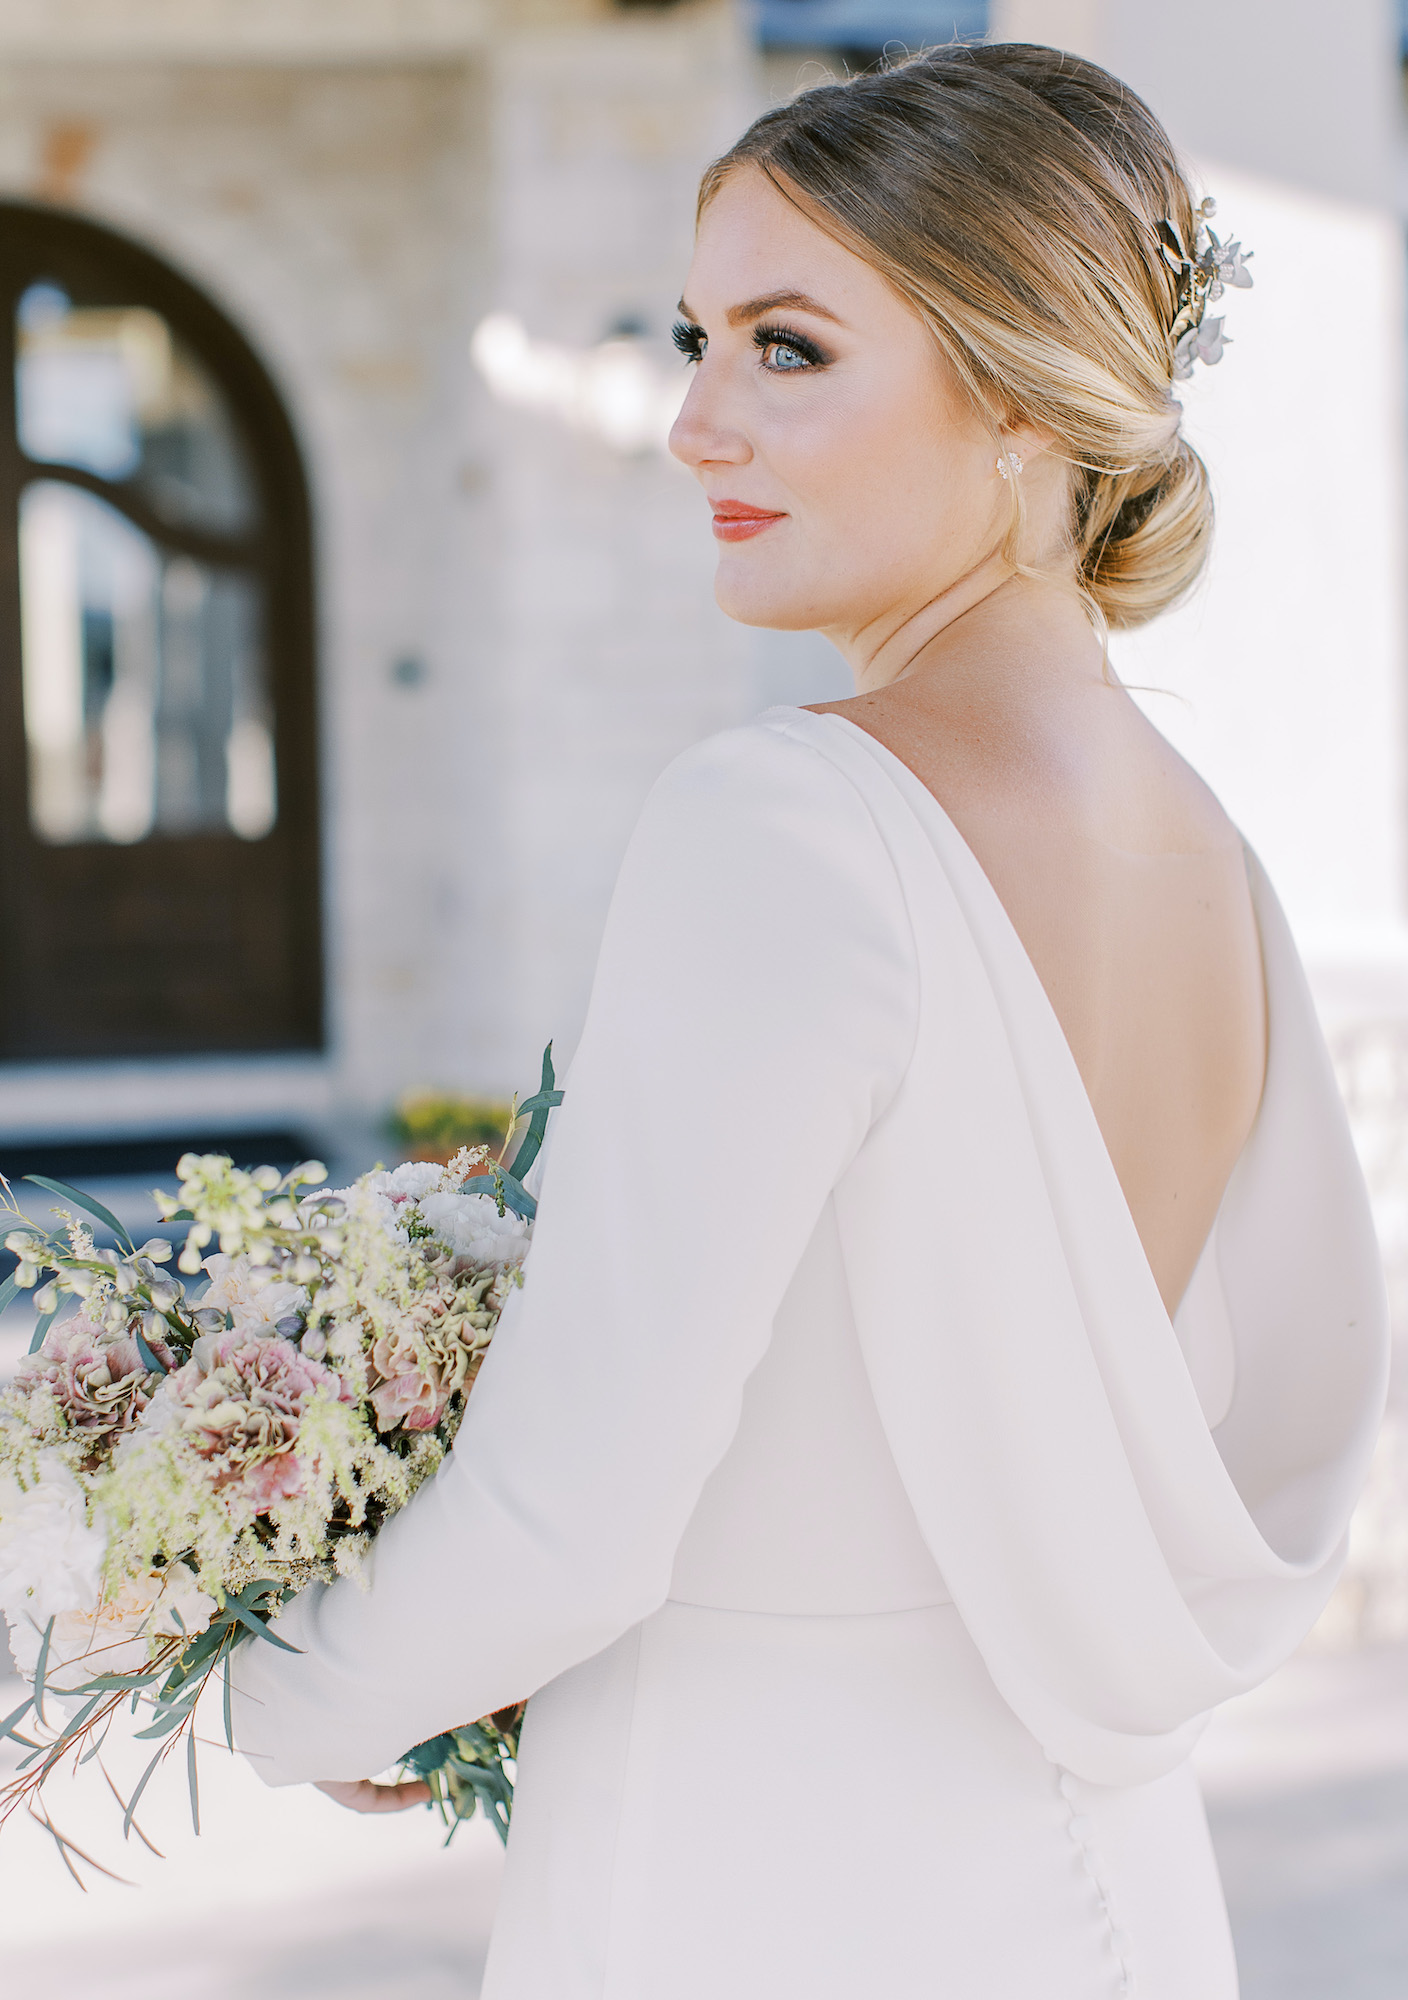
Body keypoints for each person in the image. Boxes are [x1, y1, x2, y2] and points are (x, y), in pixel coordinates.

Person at [232, 44, 1387, 1998]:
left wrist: (296, 1686)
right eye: (694, 338)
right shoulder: (1203, 848)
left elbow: (573, 1512)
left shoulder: (780, 823)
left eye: (783, 349)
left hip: (767, 1886)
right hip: (1100, 1882)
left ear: (1015, 385)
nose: (689, 424)